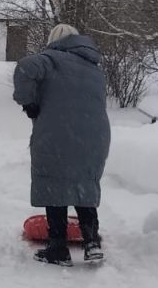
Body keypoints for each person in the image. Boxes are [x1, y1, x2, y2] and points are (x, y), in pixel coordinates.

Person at [13, 23, 111, 266]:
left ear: (53, 40)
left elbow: (24, 67)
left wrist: (29, 103)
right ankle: (91, 243)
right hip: (94, 136)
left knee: (53, 185)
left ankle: (58, 247)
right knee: (84, 185)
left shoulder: (50, 59)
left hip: (57, 133)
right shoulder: (94, 67)